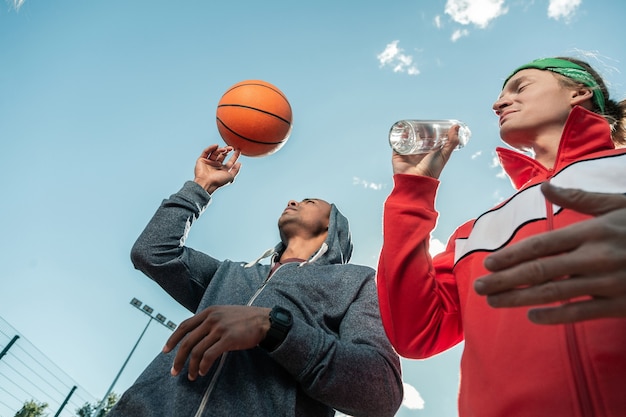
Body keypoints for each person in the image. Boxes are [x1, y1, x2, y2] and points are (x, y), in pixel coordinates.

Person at [376, 56, 626, 416]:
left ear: (579, 92)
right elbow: (417, 332)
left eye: (519, 87)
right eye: (499, 95)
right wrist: (413, 190)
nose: (498, 103)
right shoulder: (477, 231)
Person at [106, 144, 403, 417]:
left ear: (332, 225)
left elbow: (382, 392)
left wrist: (274, 328)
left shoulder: (356, 282)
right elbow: (153, 253)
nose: (292, 200)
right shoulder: (232, 274)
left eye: (309, 201)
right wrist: (202, 186)